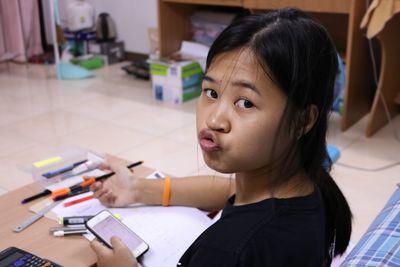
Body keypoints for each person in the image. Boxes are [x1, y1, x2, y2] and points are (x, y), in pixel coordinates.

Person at [89, 8, 352, 267]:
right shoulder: (308, 186)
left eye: (245, 103)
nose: (214, 120)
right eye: (211, 92)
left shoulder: (227, 252)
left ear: (302, 120)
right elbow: (229, 190)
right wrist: (137, 188)